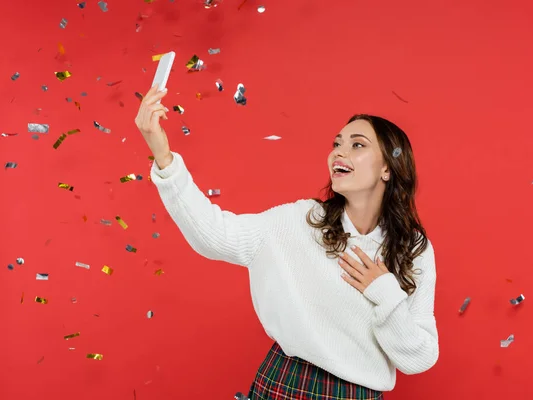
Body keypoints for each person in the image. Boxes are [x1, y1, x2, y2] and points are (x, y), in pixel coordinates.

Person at [135, 84, 439, 399]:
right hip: (287, 383)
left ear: (387, 168)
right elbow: (214, 234)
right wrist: (164, 157)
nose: (339, 151)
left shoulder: (413, 249)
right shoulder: (302, 220)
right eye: (337, 143)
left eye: (357, 145)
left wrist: (384, 292)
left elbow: (419, 357)